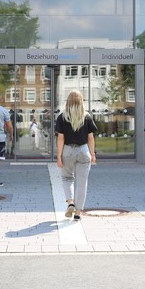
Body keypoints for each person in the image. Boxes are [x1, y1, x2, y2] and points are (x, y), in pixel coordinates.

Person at [56, 90, 97, 221]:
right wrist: (92, 153)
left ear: (67, 101)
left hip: (68, 150)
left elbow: (61, 139)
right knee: (82, 183)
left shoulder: (62, 117)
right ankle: (78, 213)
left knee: (67, 178)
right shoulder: (87, 116)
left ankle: (70, 203)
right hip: (83, 150)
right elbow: (90, 138)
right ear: (81, 101)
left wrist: (58, 156)